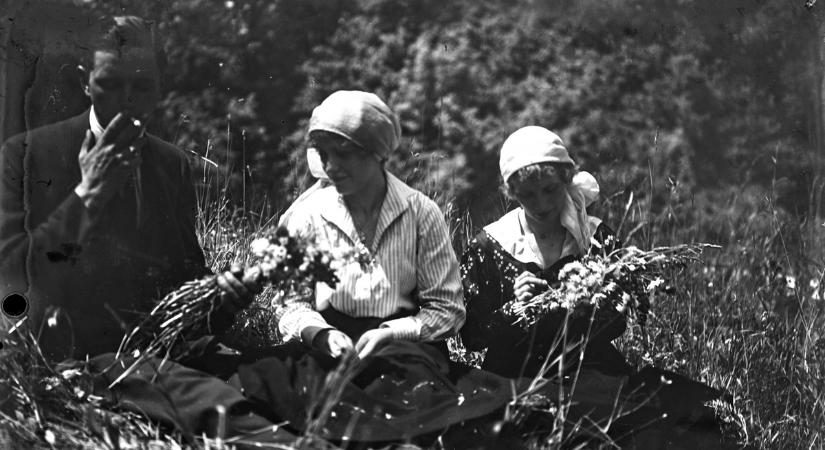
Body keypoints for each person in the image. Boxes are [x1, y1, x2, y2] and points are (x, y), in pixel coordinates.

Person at [0, 15, 287, 443]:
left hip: (166, 351)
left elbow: (183, 279)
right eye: (110, 84)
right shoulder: (27, 155)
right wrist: (89, 195)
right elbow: (14, 280)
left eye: (141, 86)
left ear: (160, 86)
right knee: (221, 405)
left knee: (288, 371)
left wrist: (223, 297)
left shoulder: (172, 164)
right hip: (84, 358)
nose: (126, 101)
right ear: (84, 81)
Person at [231, 90, 518, 447]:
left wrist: (391, 333)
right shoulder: (308, 215)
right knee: (256, 383)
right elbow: (291, 305)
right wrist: (320, 334)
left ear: (377, 153)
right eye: (324, 154)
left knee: (429, 405)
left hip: (403, 354)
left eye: (344, 154)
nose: (331, 166)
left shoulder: (420, 213)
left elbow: (448, 310)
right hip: (329, 351)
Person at [460, 126, 731, 448]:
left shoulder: (594, 236)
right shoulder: (491, 245)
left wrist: (579, 303)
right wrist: (516, 309)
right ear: (511, 192)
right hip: (513, 374)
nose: (541, 204)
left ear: (566, 179)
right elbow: (472, 336)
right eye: (527, 195)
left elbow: (616, 320)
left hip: (589, 371)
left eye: (549, 190)